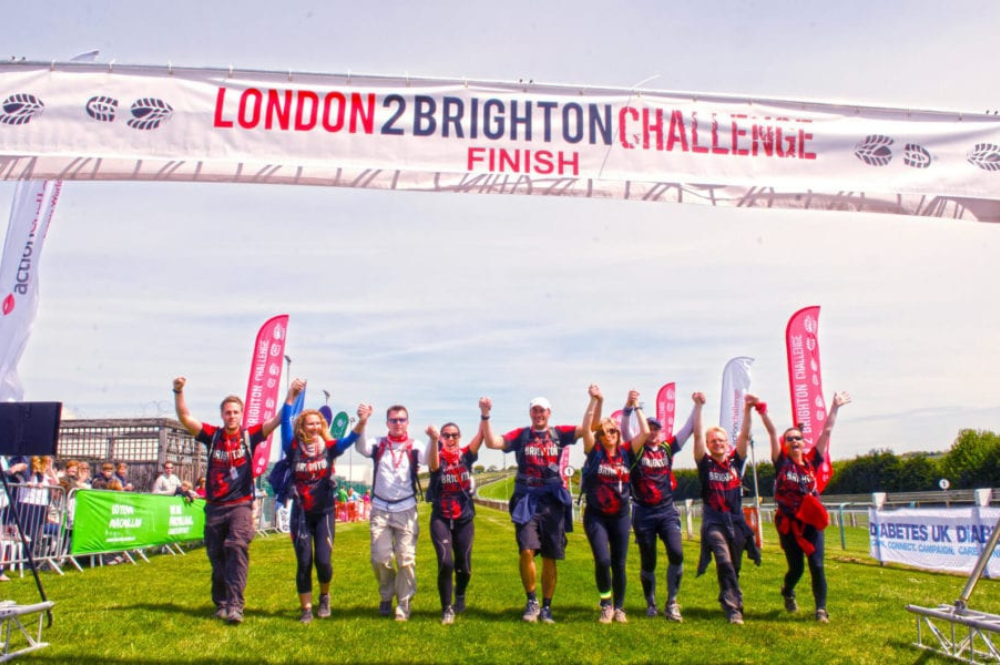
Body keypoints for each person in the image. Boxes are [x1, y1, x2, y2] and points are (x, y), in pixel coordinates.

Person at [173, 376, 283, 625]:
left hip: (241, 505)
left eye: (235, 412)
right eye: (227, 412)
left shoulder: (249, 436)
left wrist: (291, 398)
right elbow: (185, 418)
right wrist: (178, 391)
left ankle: (235, 605)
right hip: (214, 507)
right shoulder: (212, 436)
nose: (232, 416)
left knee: (236, 547)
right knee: (216, 555)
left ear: (241, 415)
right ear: (222, 415)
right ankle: (221, 602)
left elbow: (275, 421)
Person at [481, 390, 591, 624]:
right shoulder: (521, 435)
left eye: (542, 410)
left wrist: (594, 401)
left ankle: (547, 606)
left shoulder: (560, 433)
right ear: (530, 413)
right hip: (527, 498)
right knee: (526, 550)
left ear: (549, 413)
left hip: (551, 500)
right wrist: (485, 415)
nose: (539, 414)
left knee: (550, 555)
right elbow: (492, 443)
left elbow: (588, 428)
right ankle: (532, 601)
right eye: (535, 410)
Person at [281, 378, 370, 624]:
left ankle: (325, 596)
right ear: (302, 426)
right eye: (309, 423)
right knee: (304, 561)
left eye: (317, 423)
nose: (313, 426)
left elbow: (349, 440)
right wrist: (291, 396)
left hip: (324, 512)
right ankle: (306, 609)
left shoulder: (329, 447)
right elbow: (284, 424)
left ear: (322, 426)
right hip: (300, 512)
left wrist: (362, 421)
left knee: (322, 560)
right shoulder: (292, 446)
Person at [758, 391, 851, 624]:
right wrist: (763, 412)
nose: (795, 441)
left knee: (817, 564)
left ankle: (821, 609)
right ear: (785, 444)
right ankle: (788, 590)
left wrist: (835, 406)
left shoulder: (812, 460)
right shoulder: (781, 462)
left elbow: (827, 432)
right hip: (789, 523)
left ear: (803, 441)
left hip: (811, 520)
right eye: (790, 439)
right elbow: (771, 432)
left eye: (798, 438)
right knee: (797, 568)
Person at [624, 391, 703, 621]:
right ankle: (651, 603)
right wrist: (630, 407)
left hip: (666, 510)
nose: (653, 432)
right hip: (643, 512)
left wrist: (697, 406)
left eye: (656, 428)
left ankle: (672, 602)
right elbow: (625, 429)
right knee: (648, 559)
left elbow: (688, 430)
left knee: (677, 554)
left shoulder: (668, 448)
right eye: (649, 428)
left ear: (661, 431)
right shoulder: (636, 450)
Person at [581, 387, 650, 624]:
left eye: (612, 430)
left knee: (619, 563)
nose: (608, 434)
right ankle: (606, 604)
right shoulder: (594, 452)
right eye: (604, 431)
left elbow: (646, 431)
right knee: (603, 560)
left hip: (620, 515)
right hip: (596, 515)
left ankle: (619, 607)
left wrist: (635, 405)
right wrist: (593, 401)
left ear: (618, 433)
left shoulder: (626, 453)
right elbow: (587, 425)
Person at [355, 403, 427, 622]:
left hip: (405, 509)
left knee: (406, 559)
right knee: (379, 558)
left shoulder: (415, 446)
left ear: (408, 422)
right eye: (394, 420)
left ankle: (403, 604)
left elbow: (430, 460)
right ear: (387, 422)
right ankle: (386, 594)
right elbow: (360, 448)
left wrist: (434, 439)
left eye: (402, 420)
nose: (398, 424)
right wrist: (363, 420)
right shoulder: (378, 443)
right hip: (380, 509)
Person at [693, 393, 758, 625]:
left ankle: (726, 594)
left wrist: (748, 409)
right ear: (709, 446)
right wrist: (699, 407)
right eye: (713, 441)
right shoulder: (705, 463)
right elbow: (698, 435)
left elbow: (744, 435)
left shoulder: (735, 462)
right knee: (723, 559)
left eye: (721, 440)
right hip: (713, 521)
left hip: (736, 521)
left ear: (726, 444)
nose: (717, 443)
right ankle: (734, 608)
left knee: (734, 565)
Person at [425, 405, 485, 625]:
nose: (450, 438)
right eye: (446, 435)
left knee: (465, 567)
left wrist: (485, 414)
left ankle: (460, 594)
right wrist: (433, 440)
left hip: (464, 518)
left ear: (460, 438)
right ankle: (446, 608)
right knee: (446, 562)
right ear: (441, 438)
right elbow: (432, 465)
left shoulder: (466, 457)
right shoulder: (437, 456)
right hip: (441, 516)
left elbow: (481, 437)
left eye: (454, 435)